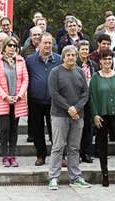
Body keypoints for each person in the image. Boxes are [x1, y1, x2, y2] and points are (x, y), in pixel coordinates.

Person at [47, 45, 91, 190]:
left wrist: (76, 108)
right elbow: (54, 94)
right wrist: (68, 108)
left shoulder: (79, 72)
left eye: (73, 55)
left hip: (78, 115)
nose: (71, 57)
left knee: (74, 147)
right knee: (58, 147)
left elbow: (85, 93)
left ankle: (75, 177)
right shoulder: (55, 72)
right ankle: (53, 177)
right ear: (63, 57)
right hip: (59, 115)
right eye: (69, 55)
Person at [89, 49, 115, 187]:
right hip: (102, 116)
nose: (107, 61)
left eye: (109, 59)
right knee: (102, 146)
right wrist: (95, 115)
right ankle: (105, 175)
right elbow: (92, 97)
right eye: (105, 59)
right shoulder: (95, 77)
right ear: (100, 61)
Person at [0, 37, 29, 167]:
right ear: (5, 47)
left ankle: (13, 155)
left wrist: (19, 95)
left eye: (15, 46)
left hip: (17, 100)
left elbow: (25, 79)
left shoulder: (20, 61)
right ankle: (5, 155)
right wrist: (5, 96)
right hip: (3, 100)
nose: (12, 48)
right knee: (4, 128)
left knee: (14, 129)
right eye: (10, 45)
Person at [25, 33, 61, 166]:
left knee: (55, 130)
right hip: (35, 100)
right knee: (37, 130)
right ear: (39, 43)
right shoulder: (29, 60)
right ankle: (41, 155)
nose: (47, 45)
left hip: (54, 101)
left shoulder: (58, 59)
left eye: (50, 43)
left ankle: (58, 156)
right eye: (45, 43)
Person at [77, 41, 96, 163]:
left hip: (90, 98)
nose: (84, 52)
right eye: (82, 49)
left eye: (86, 49)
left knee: (88, 127)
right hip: (77, 98)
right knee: (77, 127)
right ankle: (76, 153)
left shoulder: (93, 64)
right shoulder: (74, 64)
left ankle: (86, 153)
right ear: (78, 50)